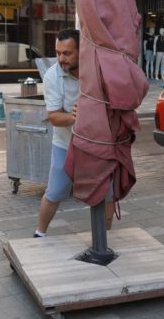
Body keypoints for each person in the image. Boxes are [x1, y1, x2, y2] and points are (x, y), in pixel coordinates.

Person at [35, 28, 114, 237]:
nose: (61, 59)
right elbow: (53, 116)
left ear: (81, 51)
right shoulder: (53, 76)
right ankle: (39, 234)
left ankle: (104, 238)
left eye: (67, 53)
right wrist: (75, 117)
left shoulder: (98, 69)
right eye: (58, 53)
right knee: (54, 192)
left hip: (100, 144)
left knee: (108, 193)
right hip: (66, 143)